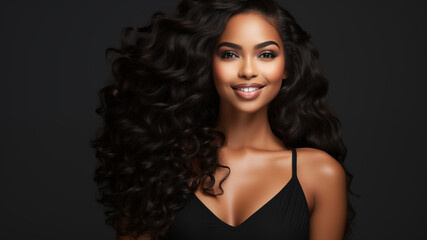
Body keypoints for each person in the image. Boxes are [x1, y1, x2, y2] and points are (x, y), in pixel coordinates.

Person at [91, 0, 357, 239]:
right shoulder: (160, 162)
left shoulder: (320, 174)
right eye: (230, 54)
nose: (249, 71)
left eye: (266, 54)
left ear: (286, 66)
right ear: (206, 62)